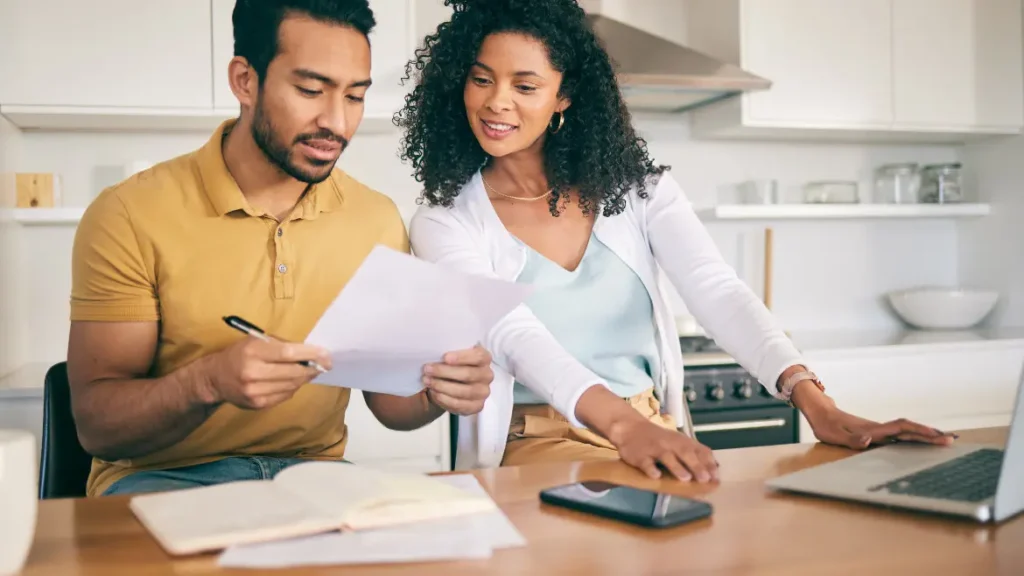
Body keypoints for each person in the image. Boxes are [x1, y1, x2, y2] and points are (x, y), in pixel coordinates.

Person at [395, 0, 956, 483]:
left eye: (525, 85)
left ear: (563, 97)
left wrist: (815, 401)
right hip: (538, 439)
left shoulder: (640, 191)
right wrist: (622, 425)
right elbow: (512, 335)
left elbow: (717, 291)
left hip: (650, 426)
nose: (496, 102)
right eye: (481, 78)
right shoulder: (446, 222)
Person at [67, 0, 493, 498]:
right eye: (311, 90)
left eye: (355, 96)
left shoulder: (373, 218)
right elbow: (98, 428)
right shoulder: (130, 213)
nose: (337, 122)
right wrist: (206, 383)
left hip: (316, 480)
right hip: (162, 481)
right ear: (245, 81)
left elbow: (390, 405)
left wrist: (443, 390)